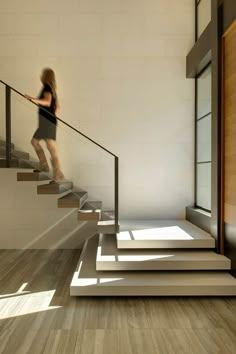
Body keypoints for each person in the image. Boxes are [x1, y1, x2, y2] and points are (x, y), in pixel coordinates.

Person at [25, 68, 64, 181]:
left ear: (45, 76)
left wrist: (32, 99)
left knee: (49, 146)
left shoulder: (47, 87)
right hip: (48, 120)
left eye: (42, 74)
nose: (40, 76)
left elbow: (47, 102)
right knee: (36, 142)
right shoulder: (52, 89)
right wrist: (51, 114)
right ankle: (47, 167)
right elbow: (57, 108)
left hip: (47, 121)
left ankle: (56, 172)